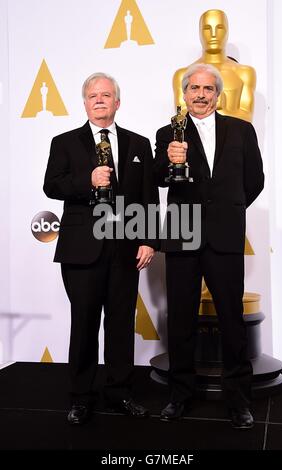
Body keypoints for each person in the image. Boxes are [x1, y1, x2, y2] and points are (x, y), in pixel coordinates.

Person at [43, 72, 159, 425]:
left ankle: (120, 392)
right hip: (82, 250)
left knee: (121, 324)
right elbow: (52, 185)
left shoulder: (139, 144)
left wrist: (148, 238)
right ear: (85, 103)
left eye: (106, 95)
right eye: (93, 95)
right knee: (84, 324)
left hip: (125, 248)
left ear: (117, 102)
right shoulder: (64, 141)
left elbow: (148, 196)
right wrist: (87, 181)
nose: (99, 100)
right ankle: (80, 397)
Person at [153, 63, 264, 429]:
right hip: (183, 233)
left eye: (208, 89)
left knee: (232, 319)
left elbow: (255, 181)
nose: (200, 95)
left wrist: (228, 211)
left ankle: (239, 400)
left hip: (225, 235)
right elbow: (156, 178)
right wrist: (169, 162)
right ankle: (179, 396)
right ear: (183, 94)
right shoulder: (168, 132)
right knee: (181, 319)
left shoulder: (242, 130)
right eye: (194, 89)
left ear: (218, 95)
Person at [173, 9, 256, 122]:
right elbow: (181, 118)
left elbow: (247, 118)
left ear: (227, 31)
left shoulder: (244, 73)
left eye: (219, 28)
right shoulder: (182, 74)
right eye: (207, 29)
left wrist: (210, 111)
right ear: (199, 32)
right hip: (194, 139)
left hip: (233, 138)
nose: (213, 34)